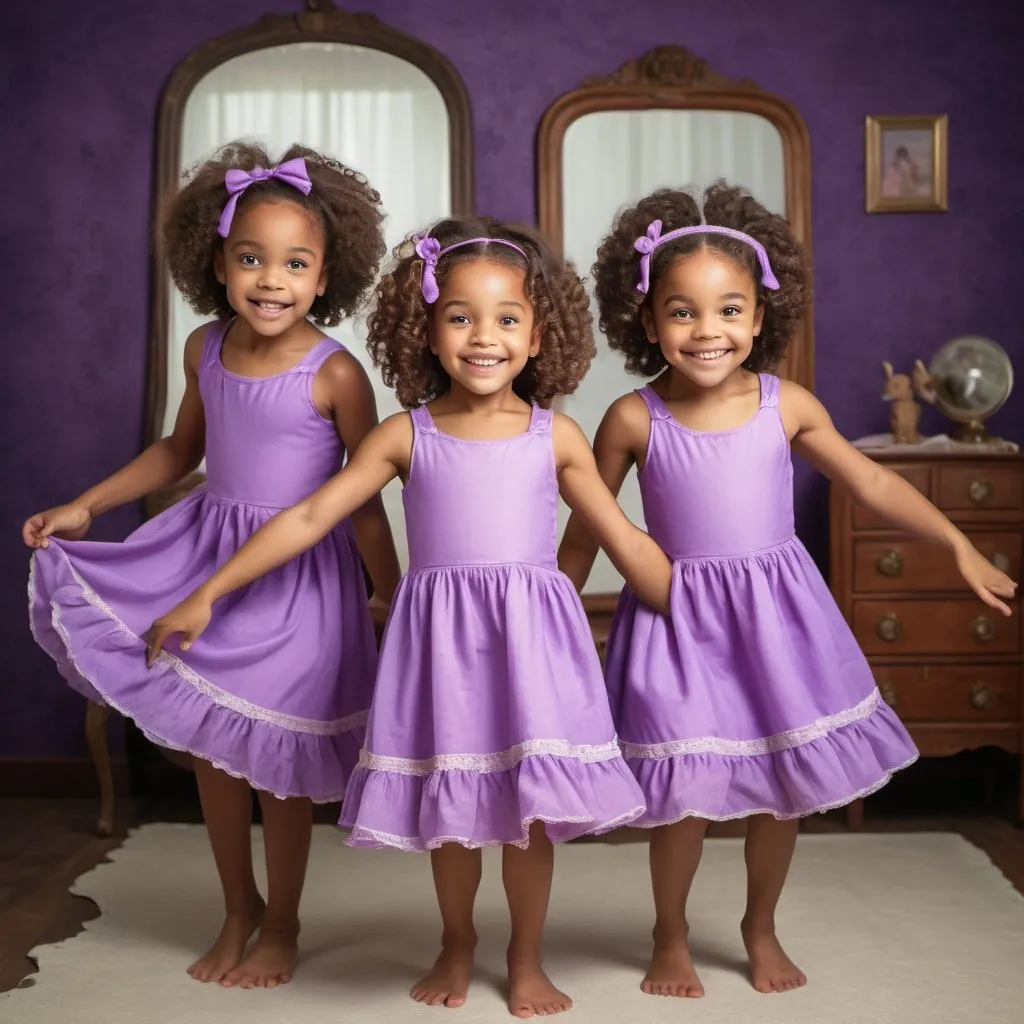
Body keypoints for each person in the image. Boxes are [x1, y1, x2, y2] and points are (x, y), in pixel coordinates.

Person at [145, 217, 674, 1018]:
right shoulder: (404, 435)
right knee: (454, 810)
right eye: (459, 316)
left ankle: (525, 955)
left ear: (539, 336)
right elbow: (310, 516)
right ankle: (456, 940)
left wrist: (685, 594)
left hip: (532, 647)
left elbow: (618, 533)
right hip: (443, 652)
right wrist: (209, 592)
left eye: (506, 319)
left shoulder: (555, 436)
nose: (483, 337)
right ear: (423, 329)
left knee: (528, 819)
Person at [558, 181, 1017, 999]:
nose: (708, 331)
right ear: (648, 318)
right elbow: (590, 528)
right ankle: (670, 932)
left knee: (783, 786)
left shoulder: (787, 406)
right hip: (677, 620)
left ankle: (759, 924)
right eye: (683, 311)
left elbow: (872, 483)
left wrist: (958, 545)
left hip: (777, 619)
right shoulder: (632, 418)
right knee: (684, 789)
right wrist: (547, 614)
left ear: (761, 317)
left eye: (729, 309)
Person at [24, 142, 400, 989]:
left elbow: (362, 499)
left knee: (281, 768)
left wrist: (389, 592)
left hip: (301, 579)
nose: (272, 280)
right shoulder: (205, 348)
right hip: (206, 556)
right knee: (217, 755)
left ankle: (286, 922)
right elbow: (178, 449)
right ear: (217, 262)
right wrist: (88, 505)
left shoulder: (336, 373)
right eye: (251, 259)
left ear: (326, 271)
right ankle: (240, 907)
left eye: (294, 263)